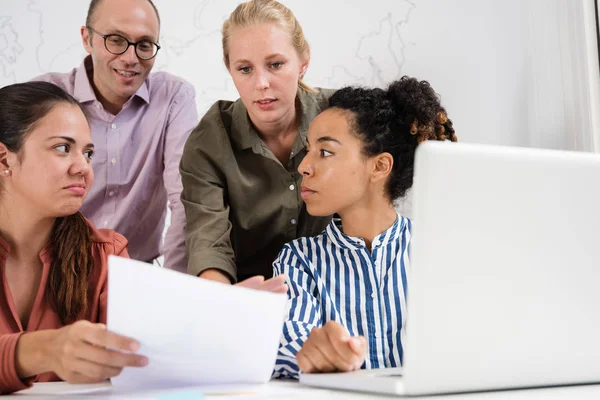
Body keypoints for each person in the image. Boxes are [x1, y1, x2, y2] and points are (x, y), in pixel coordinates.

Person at [271, 76, 457, 378]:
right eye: (308, 150)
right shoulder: (298, 260)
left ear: (379, 166)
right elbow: (289, 341)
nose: (304, 165)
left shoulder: (439, 250)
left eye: (325, 152)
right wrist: (312, 352)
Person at [0, 81, 147, 394]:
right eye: (63, 148)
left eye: (88, 153)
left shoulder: (107, 255)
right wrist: (42, 350)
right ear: (4, 160)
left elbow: (146, 355)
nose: (84, 168)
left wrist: (206, 318)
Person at [33, 0, 198, 272]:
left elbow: (185, 199)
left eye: (144, 45)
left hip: (136, 272)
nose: (130, 58)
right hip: (54, 270)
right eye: (116, 40)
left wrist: (173, 287)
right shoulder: (44, 95)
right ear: (87, 38)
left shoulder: (173, 99)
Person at [181, 0, 334, 284]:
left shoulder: (343, 117)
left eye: (275, 64)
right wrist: (227, 302)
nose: (261, 83)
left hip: (336, 295)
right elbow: (208, 244)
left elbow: (368, 221)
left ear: (304, 61)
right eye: (245, 69)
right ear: (229, 68)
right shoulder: (208, 142)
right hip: (246, 296)